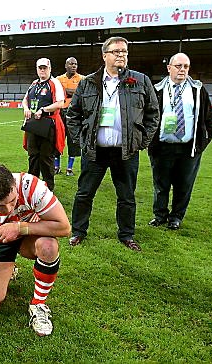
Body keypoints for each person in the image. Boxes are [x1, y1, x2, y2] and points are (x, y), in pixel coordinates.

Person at [67, 36, 159, 251]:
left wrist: (141, 141)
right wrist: (81, 140)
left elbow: (153, 114)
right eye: (116, 51)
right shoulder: (88, 82)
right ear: (104, 55)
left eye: (124, 52)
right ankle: (78, 232)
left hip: (126, 151)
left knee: (126, 197)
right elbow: (73, 115)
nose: (121, 55)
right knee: (84, 194)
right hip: (94, 151)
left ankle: (127, 235)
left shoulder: (140, 80)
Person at [0, 164, 70, 337]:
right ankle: (9, 267)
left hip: (29, 233)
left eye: (12, 201)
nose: (8, 210)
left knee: (49, 246)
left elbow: (64, 227)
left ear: (14, 187)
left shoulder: (32, 187)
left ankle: (38, 304)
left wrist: (20, 228)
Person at [148, 53, 212, 230]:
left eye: (186, 66)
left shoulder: (198, 90)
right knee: (160, 184)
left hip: (188, 148)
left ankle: (176, 217)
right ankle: (160, 215)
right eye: (178, 66)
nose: (182, 70)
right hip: (162, 147)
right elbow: (148, 116)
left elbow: (209, 119)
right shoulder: (157, 90)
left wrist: (201, 144)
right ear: (169, 68)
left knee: (184, 185)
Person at [21, 58, 65, 192]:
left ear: (49, 69)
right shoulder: (34, 84)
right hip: (33, 125)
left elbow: (60, 103)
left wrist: (43, 110)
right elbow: (25, 100)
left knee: (46, 159)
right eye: (40, 68)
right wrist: (26, 109)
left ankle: (48, 189)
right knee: (33, 156)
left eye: (44, 68)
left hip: (48, 125)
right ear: (36, 69)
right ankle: (31, 189)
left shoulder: (54, 83)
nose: (42, 70)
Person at [56, 57, 84, 176]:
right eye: (71, 64)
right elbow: (58, 93)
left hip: (75, 114)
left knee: (73, 141)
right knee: (58, 139)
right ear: (66, 65)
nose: (74, 66)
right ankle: (56, 167)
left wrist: (67, 91)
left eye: (76, 64)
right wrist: (72, 92)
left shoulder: (82, 79)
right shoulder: (58, 79)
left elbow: (81, 94)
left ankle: (69, 168)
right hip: (61, 112)